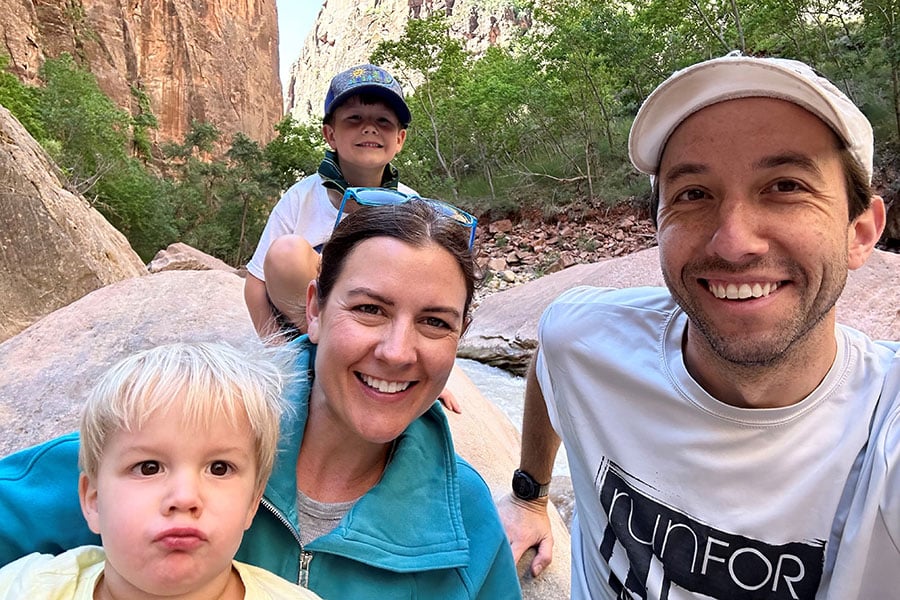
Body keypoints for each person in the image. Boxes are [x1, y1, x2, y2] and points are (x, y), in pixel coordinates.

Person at [499, 52, 899, 599]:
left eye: (785, 187)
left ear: (861, 232)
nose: (734, 242)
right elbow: (553, 353)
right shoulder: (585, 336)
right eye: (693, 195)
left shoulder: (886, 427)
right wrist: (530, 495)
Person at [0, 198, 521, 599]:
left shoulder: (464, 523)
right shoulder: (199, 427)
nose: (397, 351)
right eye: (369, 309)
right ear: (314, 308)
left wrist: (533, 496)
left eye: (434, 322)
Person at [0, 341, 321, 599]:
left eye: (219, 468)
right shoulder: (25, 587)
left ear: (252, 503)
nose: (184, 497)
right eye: (149, 467)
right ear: (94, 500)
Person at [244, 63, 413, 339]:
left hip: (380, 332)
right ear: (330, 135)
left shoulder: (411, 205)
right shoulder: (301, 197)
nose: (369, 128)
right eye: (354, 119)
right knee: (287, 253)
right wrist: (279, 356)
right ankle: (320, 355)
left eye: (383, 121)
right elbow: (256, 284)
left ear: (399, 138)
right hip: (310, 332)